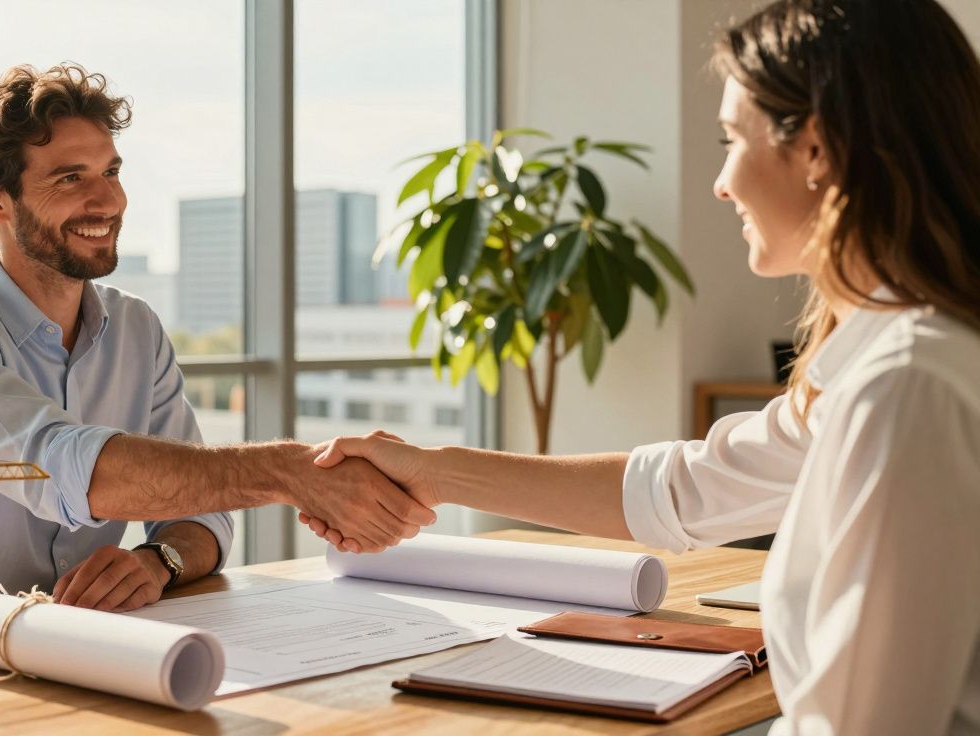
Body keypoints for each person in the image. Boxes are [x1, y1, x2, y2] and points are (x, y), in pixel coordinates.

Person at [303, 1, 980, 732]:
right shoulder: (893, 362)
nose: (722, 182)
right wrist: (431, 471)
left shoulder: (907, 387)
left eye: (730, 140)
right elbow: (685, 490)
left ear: (815, 149)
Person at [0, 63, 434, 613]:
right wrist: (290, 471)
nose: (108, 201)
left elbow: (203, 519)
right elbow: (63, 467)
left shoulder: (136, 328)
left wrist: (157, 560)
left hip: (87, 646)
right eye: (70, 178)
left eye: (111, 173)